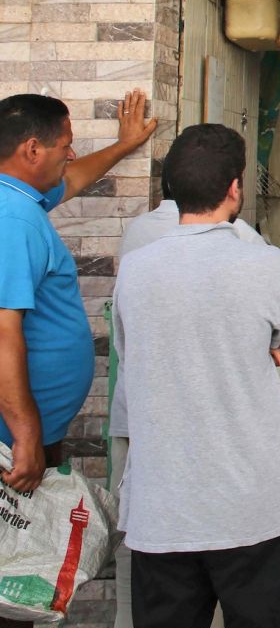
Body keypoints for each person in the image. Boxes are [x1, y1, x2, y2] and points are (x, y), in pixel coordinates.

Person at [113, 124, 280, 628]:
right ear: (235, 187)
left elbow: (132, 351)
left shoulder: (134, 270)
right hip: (256, 503)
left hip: (164, 507)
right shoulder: (265, 264)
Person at [108, 174, 268, 628]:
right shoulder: (243, 239)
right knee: (211, 549)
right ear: (231, 189)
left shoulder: (138, 232)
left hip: (139, 419)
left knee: (141, 544)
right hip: (206, 429)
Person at [0, 89, 156, 499]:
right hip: (15, 436)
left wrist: (124, 145)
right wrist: (27, 435)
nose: (70, 155)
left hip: (29, 425)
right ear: (32, 149)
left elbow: (71, 179)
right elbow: (2, 331)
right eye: (65, 146)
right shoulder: (12, 219)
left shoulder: (19, 197)